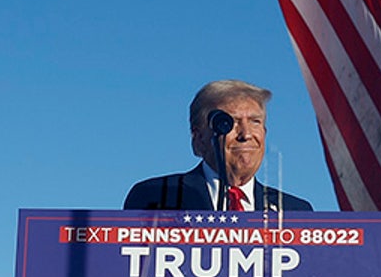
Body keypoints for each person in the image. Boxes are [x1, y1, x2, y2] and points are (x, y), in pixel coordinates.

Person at [123, 80, 313, 212]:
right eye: (230, 123)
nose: (246, 134)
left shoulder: (294, 212)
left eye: (255, 121)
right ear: (199, 139)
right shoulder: (155, 197)